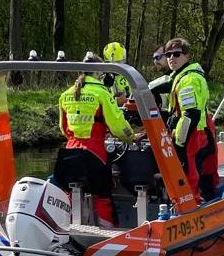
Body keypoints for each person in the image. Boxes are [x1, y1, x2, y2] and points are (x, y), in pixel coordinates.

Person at [56, 54, 138, 228]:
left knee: (72, 193)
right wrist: (131, 138)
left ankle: (69, 228)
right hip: (95, 154)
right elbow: (117, 126)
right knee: (102, 196)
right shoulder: (101, 93)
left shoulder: (65, 95)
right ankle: (105, 233)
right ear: (98, 71)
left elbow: (63, 129)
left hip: (69, 153)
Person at [163, 38, 219, 202]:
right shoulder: (182, 76)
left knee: (187, 174)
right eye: (168, 54)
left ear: (187, 56)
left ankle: (190, 206)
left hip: (192, 135)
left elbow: (190, 115)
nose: (171, 58)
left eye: (176, 54)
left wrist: (179, 143)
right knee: (198, 173)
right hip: (198, 131)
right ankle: (201, 199)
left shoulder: (189, 80)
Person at [148, 45, 171, 111]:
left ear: (168, 56)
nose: (155, 61)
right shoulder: (163, 79)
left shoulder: (175, 78)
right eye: (153, 59)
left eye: (158, 57)